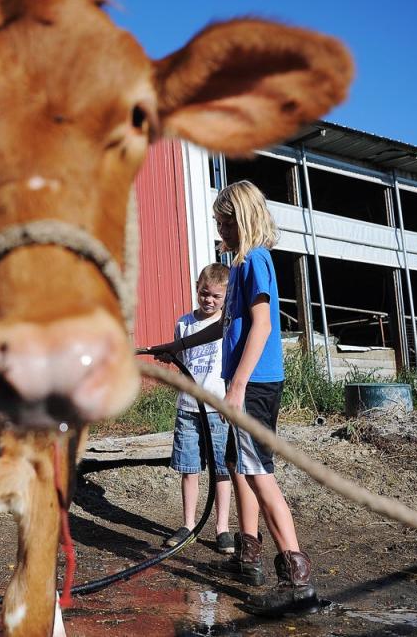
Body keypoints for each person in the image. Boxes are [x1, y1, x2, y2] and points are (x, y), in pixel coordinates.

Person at [158, 180, 318, 617]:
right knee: (237, 466)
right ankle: (250, 552)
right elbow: (230, 327)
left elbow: (262, 326)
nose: (220, 230)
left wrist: (237, 386)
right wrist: (171, 348)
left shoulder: (254, 263)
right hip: (250, 382)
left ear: (243, 219)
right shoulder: (241, 266)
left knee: (258, 473)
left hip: (256, 384)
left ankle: (297, 580)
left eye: (225, 222)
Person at [162, 263, 235, 555]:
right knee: (189, 468)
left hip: (217, 410)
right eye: (205, 293)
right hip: (188, 408)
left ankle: (222, 528)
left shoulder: (227, 325)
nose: (209, 300)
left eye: (216, 297)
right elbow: (180, 361)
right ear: (197, 288)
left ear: (226, 297)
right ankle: (189, 524)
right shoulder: (184, 324)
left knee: (222, 470)